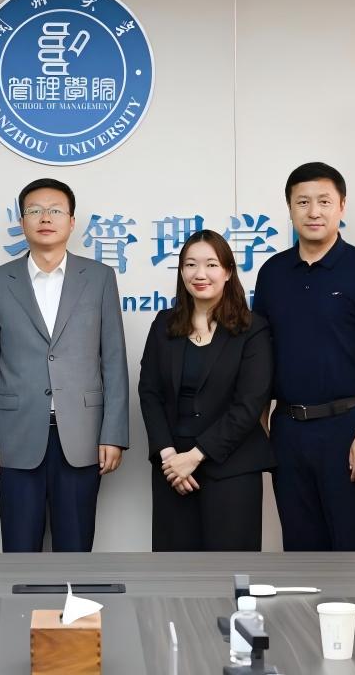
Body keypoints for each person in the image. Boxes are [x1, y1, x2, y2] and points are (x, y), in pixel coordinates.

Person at [0, 178, 128, 552]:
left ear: (71, 222)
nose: (45, 218)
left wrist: (113, 433)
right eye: (35, 210)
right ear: (22, 221)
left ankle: (73, 598)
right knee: (19, 549)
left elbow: (114, 359)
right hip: (15, 437)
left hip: (83, 435)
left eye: (55, 210)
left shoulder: (100, 278)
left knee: (75, 549)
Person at [252, 162, 355, 552]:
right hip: (288, 431)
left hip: (349, 429)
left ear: (342, 206)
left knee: (354, 553)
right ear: (289, 208)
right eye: (303, 202)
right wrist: (262, 426)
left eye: (324, 201)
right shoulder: (272, 273)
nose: (313, 211)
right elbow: (260, 354)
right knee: (300, 553)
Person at [139, 230, 272, 551]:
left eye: (211, 265)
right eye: (190, 265)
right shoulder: (164, 324)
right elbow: (150, 393)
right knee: (176, 571)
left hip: (232, 469)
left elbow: (249, 404)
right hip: (174, 471)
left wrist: (196, 457)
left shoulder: (252, 328)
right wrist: (170, 458)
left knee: (231, 570)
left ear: (227, 272)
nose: (200, 274)